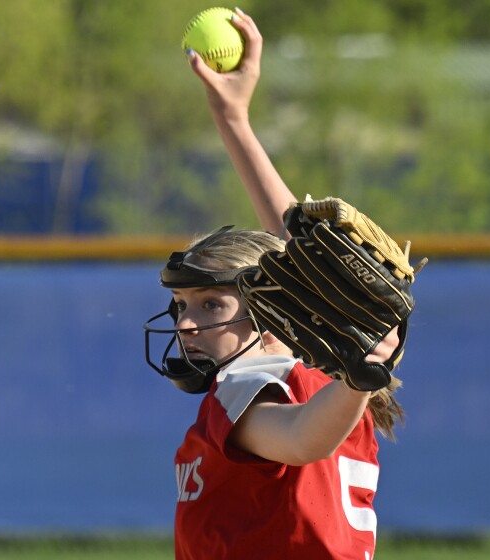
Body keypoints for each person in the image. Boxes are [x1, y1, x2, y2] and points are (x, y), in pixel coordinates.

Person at [143, 8, 405, 559]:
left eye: (211, 304)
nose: (186, 323)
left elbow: (303, 438)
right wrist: (233, 119)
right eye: (180, 305)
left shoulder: (249, 388)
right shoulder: (317, 373)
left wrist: (357, 381)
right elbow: (286, 241)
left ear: (273, 314)